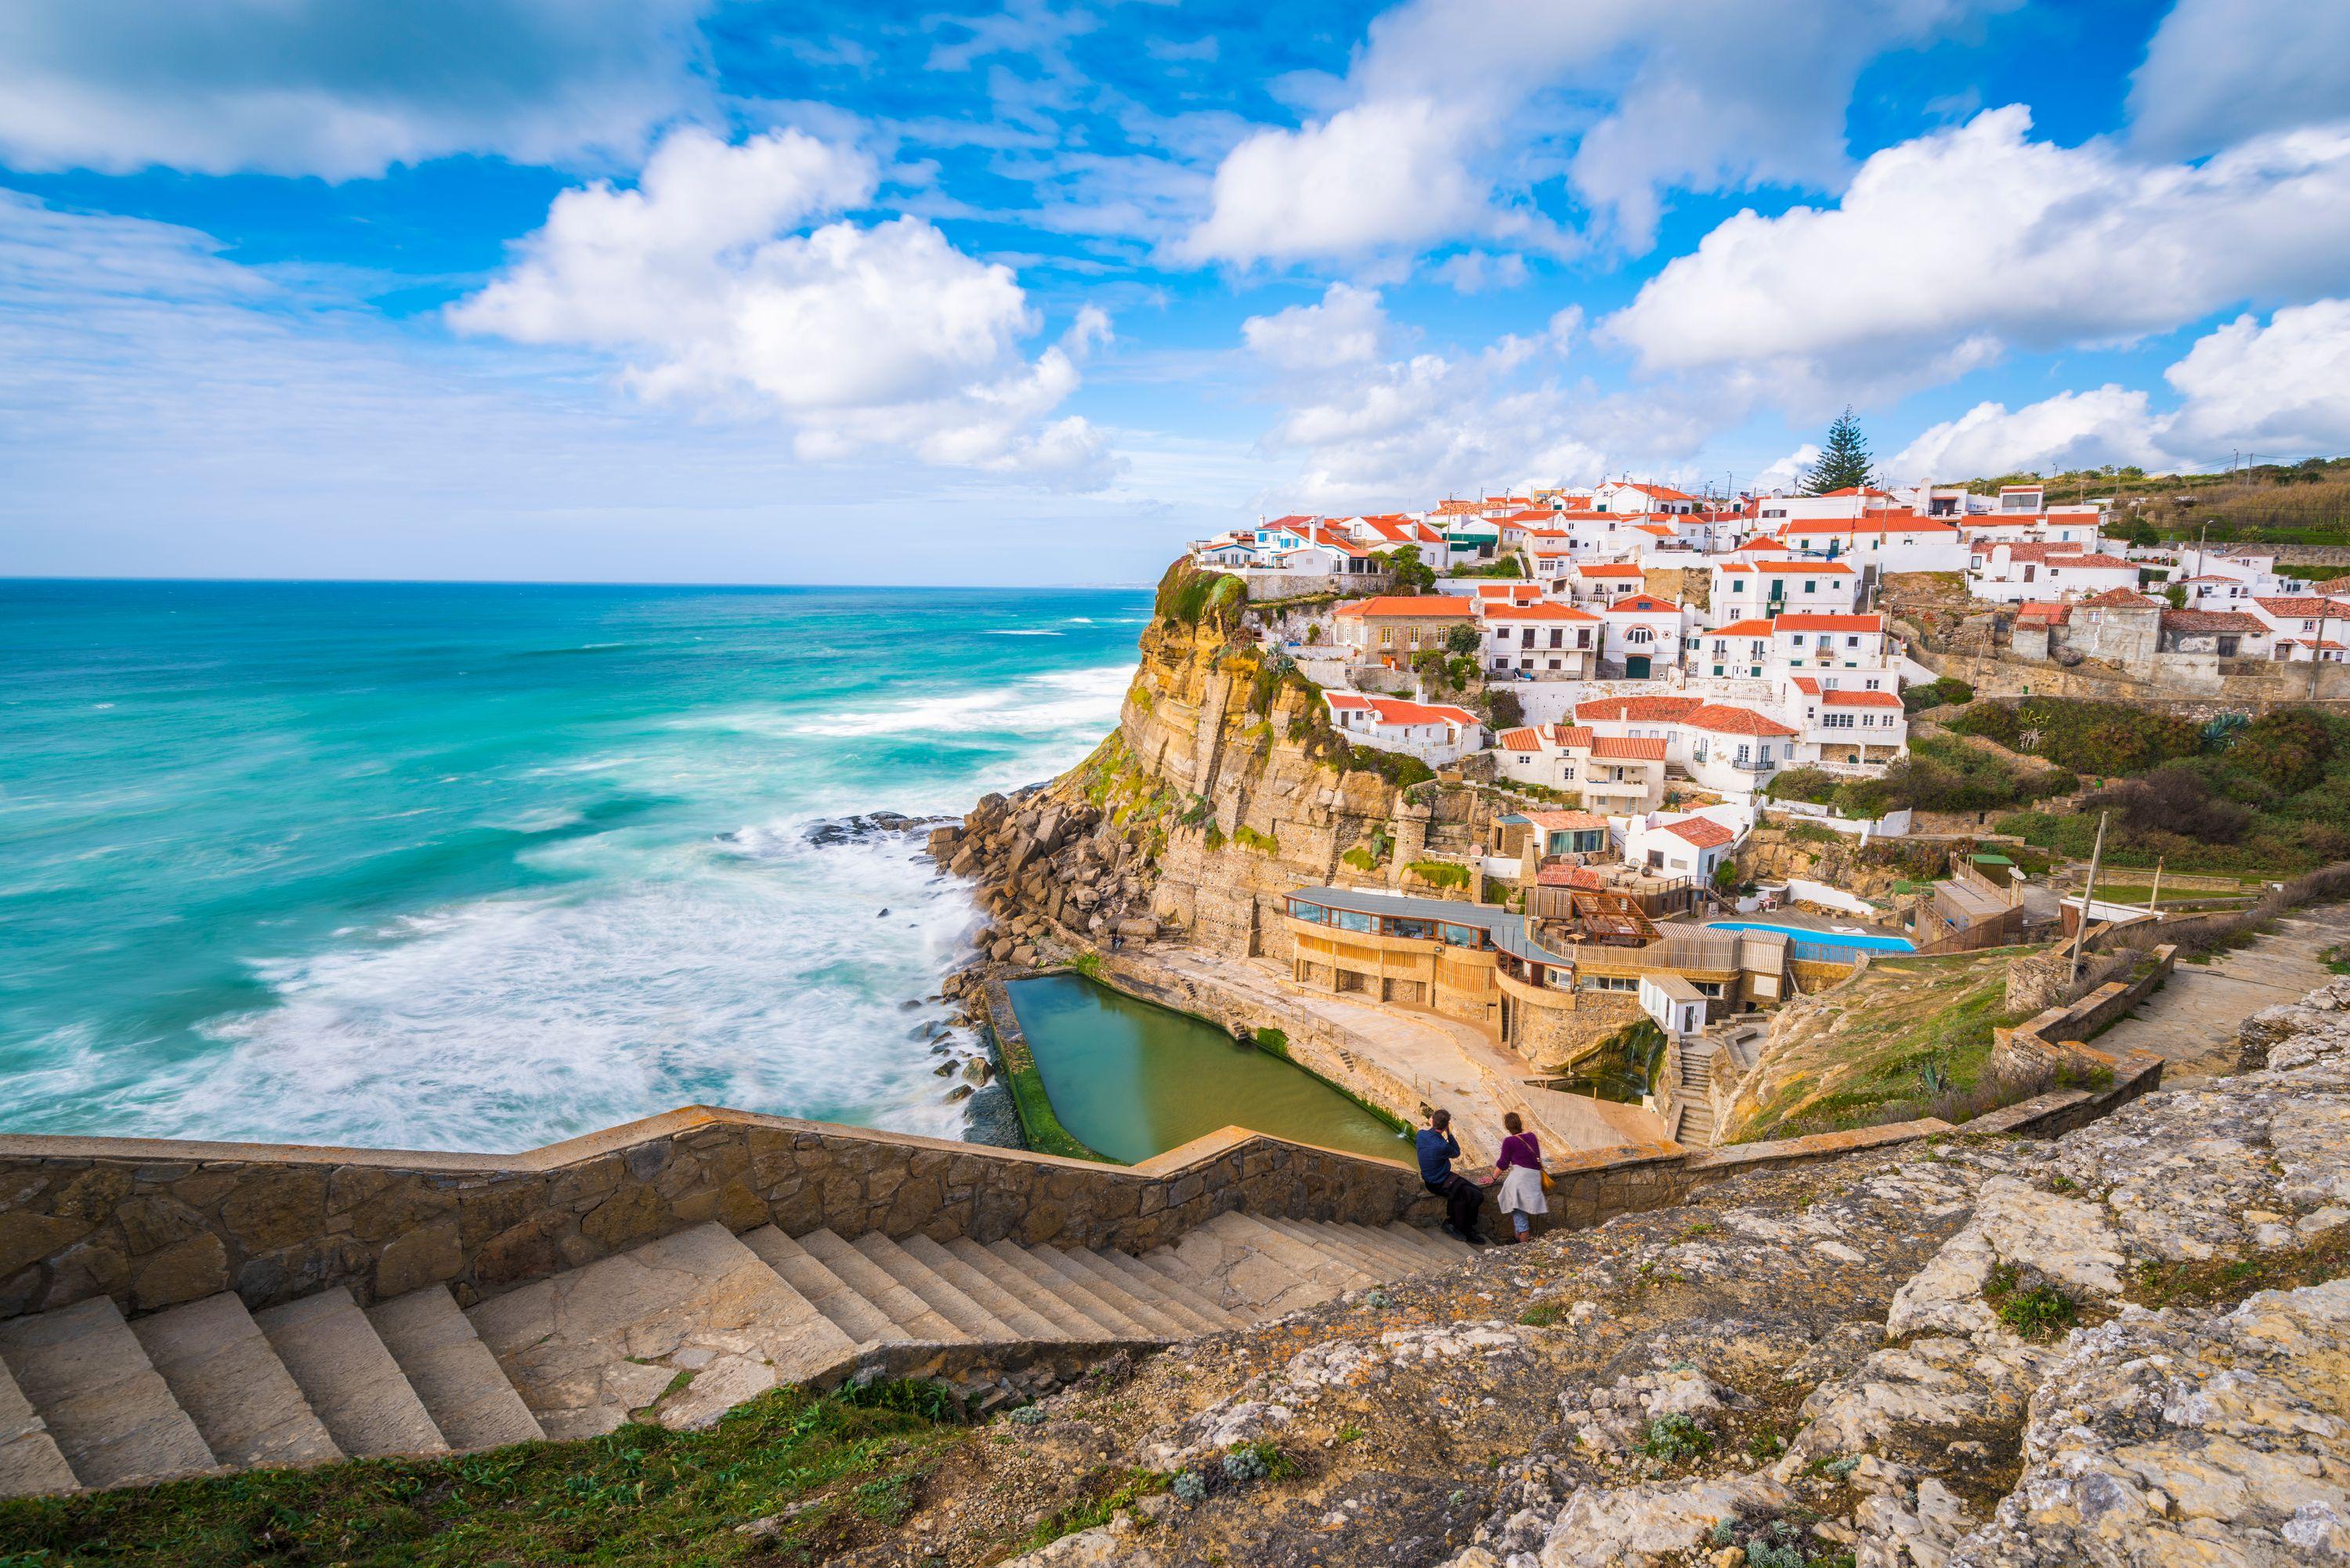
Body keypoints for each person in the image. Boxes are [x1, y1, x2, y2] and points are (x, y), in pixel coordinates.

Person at [1415, 1108, 1488, 1245]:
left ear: (1432, 1120)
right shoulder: (1442, 1145)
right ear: (1446, 1125)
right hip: (1438, 1182)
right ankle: (1456, 1225)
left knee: (1477, 1193)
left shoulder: (1420, 1135)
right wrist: (1449, 1133)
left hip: (1440, 1178)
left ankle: (1464, 1226)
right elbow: (1456, 1152)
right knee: (1473, 1196)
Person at [1492, 1111, 1546, 1244]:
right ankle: (1516, 1238)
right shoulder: (1532, 1136)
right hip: (1533, 1179)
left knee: (1519, 1215)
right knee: (1519, 1211)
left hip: (1520, 1181)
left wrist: (1493, 1178)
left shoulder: (1509, 1141)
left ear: (1507, 1127)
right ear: (1520, 1123)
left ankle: (1523, 1248)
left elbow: (1503, 1164)